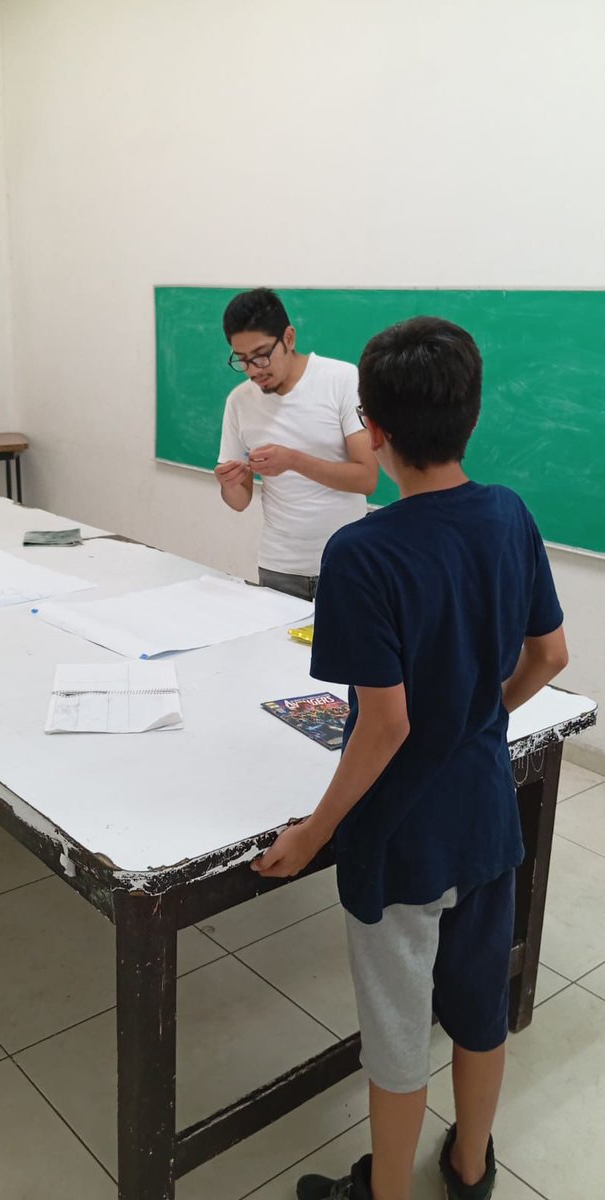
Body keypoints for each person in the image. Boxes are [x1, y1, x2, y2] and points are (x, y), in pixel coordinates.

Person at [252, 316, 568, 1200]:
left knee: (395, 1034)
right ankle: (468, 1167)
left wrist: (314, 836)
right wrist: (471, 716)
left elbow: (381, 729)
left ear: (374, 428)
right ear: (469, 414)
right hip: (486, 815)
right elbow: (549, 657)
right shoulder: (508, 512)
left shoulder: (362, 551)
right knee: (476, 1009)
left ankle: (383, 1192)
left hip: (401, 839)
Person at [215, 288, 378, 600]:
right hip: (279, 569)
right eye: (243, 360)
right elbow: (239, 501)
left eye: (262, 355)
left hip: (345, 564)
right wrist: (229, 482)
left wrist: (294, 461)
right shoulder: (238, 402)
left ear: (288, 338)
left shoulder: (341, 380)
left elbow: (366, 478)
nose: (254, 370)